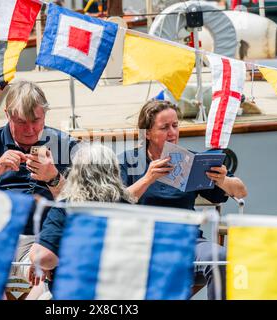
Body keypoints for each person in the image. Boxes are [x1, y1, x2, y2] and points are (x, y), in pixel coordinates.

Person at [119, 100, 247, 300]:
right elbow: (116, 205)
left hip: (187, 241)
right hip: (144, 245)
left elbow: (240, 191)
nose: (173, 132)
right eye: (164, 127)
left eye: (175, 125)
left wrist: (222, 179)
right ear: (148, 134)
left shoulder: (192, 161)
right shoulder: (129, 162)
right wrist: (148, 178)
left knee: (221, 259)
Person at [0, 80, 78, 286]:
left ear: (45, 116)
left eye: (36, 120)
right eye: (21, 122)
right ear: (7, 114)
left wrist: (53, 178)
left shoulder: (66, 146)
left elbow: (81, 208)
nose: (30, 129)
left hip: (45, 240)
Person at [26, 143, 136, 298]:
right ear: (115, 172)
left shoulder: (66, 208)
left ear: (76, 174)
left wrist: (45, 258)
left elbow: (43, 257)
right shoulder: (130, 208)